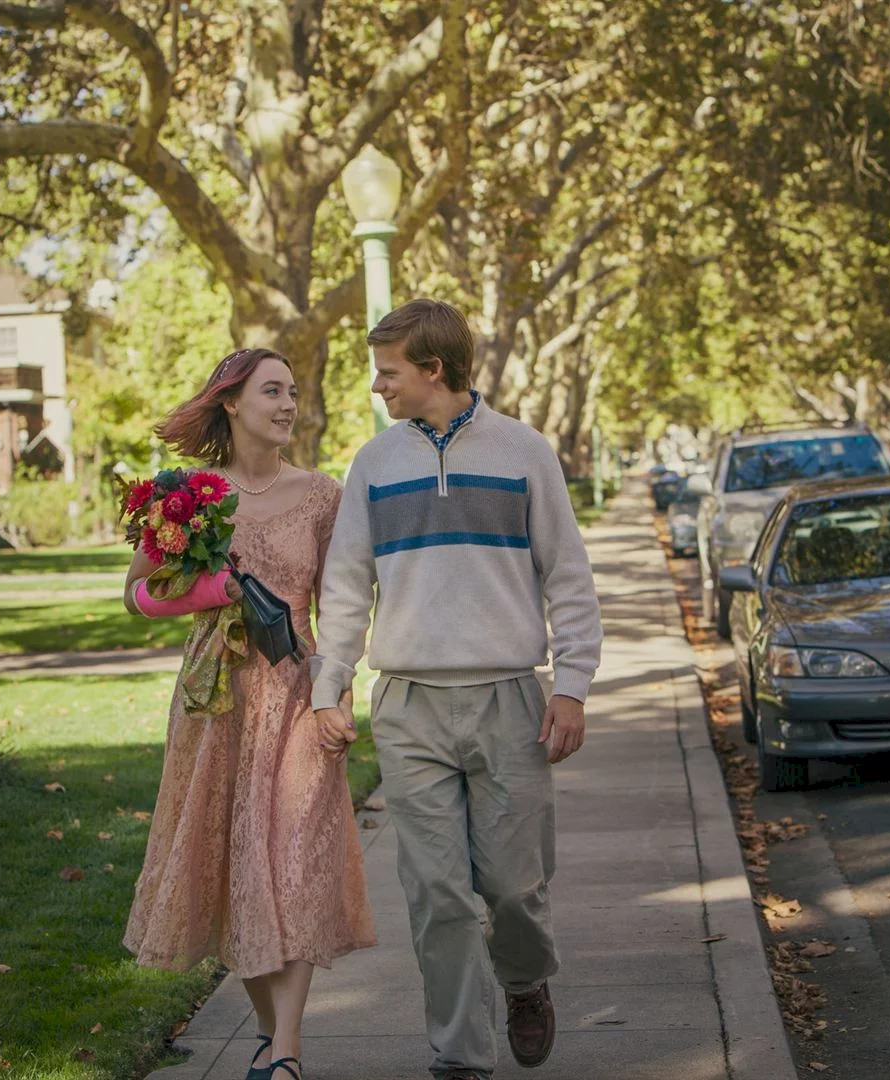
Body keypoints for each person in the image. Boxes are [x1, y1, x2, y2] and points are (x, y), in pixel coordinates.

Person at [311, 299, 603, 1079]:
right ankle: (459, 1057)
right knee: (437, 894)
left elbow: (567, 576)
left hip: (511, 697)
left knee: (513, 887)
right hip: (408, 703)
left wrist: (570, 686)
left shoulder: (524, 451)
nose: (378, 386)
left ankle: (526, 981)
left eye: (388, 370)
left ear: (433, 370)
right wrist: (328, 688)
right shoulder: (373, 464)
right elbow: (344, 587)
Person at [121, 348, 375, 1080]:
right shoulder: (192, 498)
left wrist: (338, 696)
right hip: (217, 699)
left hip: (297, 691)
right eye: (273, 391)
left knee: (294, 862)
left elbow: (343, 608)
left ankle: (287, 1053)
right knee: (239, 869)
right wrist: (212, 595)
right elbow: (135, 595)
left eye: (293, 392)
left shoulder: (324, 495)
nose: (289, 403)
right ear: (231, 402)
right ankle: (271, 1038)